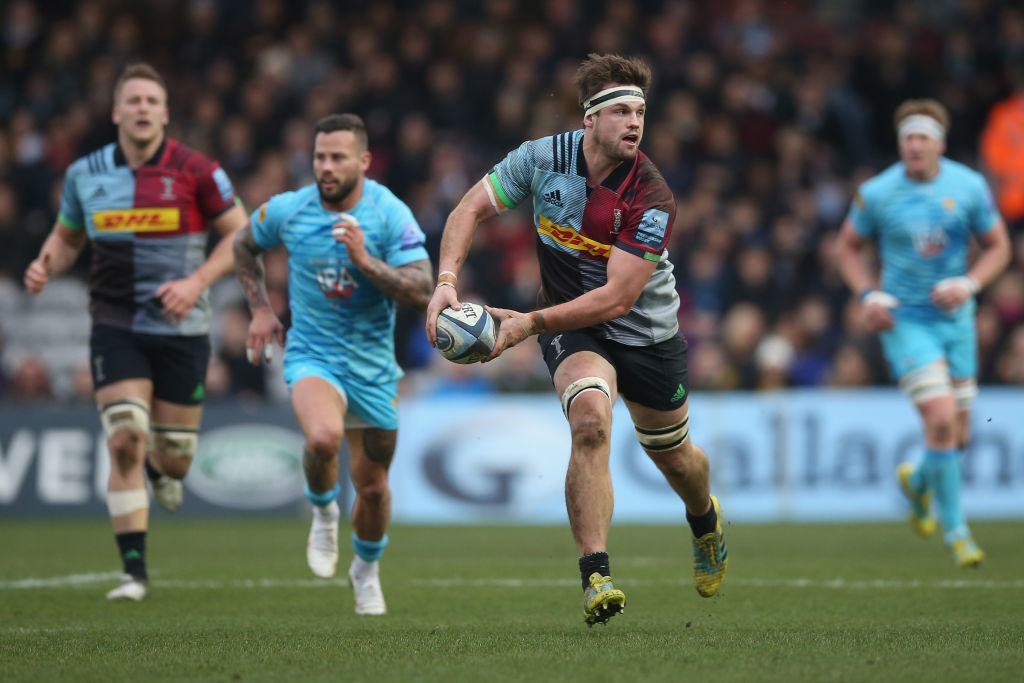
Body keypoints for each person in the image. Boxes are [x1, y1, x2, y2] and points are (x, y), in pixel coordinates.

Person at [425, 54, 727, 626]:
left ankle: (704, 520)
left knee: (677, 460)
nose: (635, 122)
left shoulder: (652, 195)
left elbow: (617, 300)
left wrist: (526, 324)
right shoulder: (541, 158)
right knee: (590, 421)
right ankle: (597, 577)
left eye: (640, 111)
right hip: (574, 327)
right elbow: (468, 209)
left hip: (645, 333)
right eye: (621, 111)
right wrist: (445, 283)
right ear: (590, 119)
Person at [23, 63, 248, 600]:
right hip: (115, 323)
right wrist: (45, 263)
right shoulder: (84, 174)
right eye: (134, 100)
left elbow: (242, 235)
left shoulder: (197, 170)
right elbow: (67, 238)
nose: (143, 108)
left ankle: (164, 469)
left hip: (182, 327)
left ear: (165, 113)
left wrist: (196, 282)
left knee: (173, 459)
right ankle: (134, 573)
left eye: (152, 100)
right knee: (124, 440)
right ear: (116, 111)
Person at [233, 113, 432, 615]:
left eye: (337, 157)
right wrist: (260, 307)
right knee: (322, 438)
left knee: (372, 487)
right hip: (312, 354)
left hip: (373, 366)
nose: (326, 166)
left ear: (363, 161)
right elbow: (243, 244)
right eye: (320, 156)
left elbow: (423, 287)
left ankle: (366, 569)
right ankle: (323, 510)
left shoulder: (388, 213)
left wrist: (365, 261)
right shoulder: (289, 210)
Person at [836, 98, 1011, 568]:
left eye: (923, 138)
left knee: (959, 434)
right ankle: (959, 534)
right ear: (900, 144)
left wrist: (970, 282)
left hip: (956, 319)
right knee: (939, 419)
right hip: (905, 320)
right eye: (907, 138)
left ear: (939, 144)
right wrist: (868, 294)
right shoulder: (877, 193)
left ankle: (917, 484)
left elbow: (999, 246)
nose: (914, 146)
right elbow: (847, 247)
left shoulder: (969, 186)